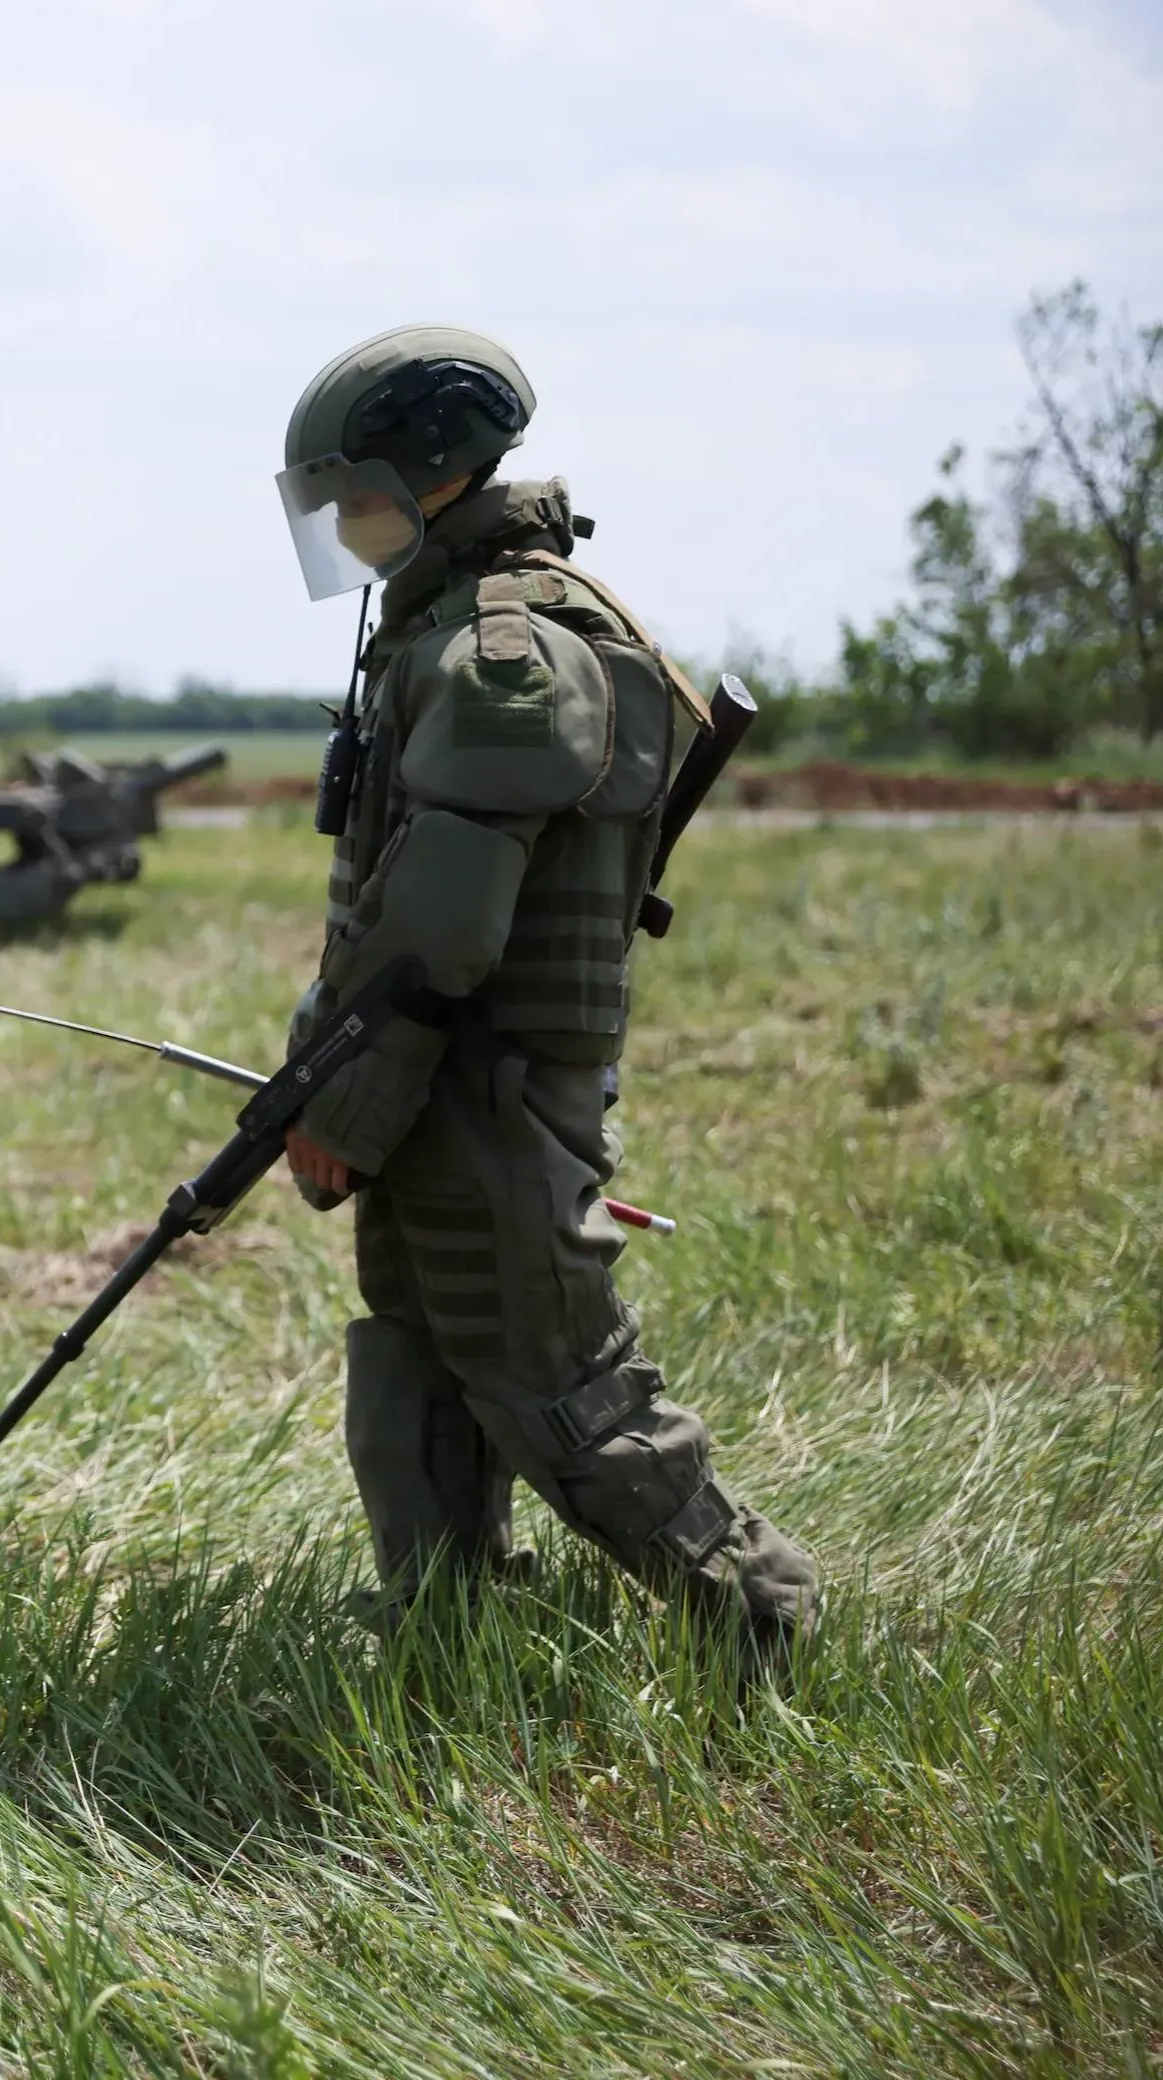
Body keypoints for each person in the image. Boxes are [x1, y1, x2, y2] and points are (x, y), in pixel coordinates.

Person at [268, 324, 817, 1664]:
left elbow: (441, 930)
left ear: (435, 469)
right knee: (425, 1362)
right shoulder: (447, 629)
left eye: (356, 495)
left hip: (490, 1085)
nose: (344, 528)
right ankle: (444, 1637)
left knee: (556, 1386)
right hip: (442, 1075)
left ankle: (769, 1632)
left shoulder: (508, 652)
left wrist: (342, 1102)